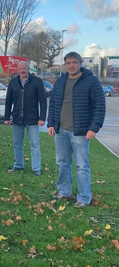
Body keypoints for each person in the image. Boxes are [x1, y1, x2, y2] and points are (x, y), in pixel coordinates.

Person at [47, 51, 105, 208]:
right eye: (68, 63)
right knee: (62, 163)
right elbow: (53, 104)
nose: (71, 65)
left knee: (81, 166)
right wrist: (51, 124)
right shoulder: (60, 81)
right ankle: (64, 191)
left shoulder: (91, 81)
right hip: (61, 130)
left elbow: (99, 106)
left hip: (80, 131)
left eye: (74, 62)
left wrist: (93, 128)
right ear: (65, 65)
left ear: (80, 64)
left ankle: (84, 197)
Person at [4, 61, 47, 176]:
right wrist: (7, 117)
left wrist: (42, 117)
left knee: (35, 144)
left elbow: (43, 101)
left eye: (24, 69)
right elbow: (8, 101)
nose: (22, 71)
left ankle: (36, 169)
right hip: (17, 118)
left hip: (33, 119)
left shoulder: (37, 82)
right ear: (17, 70)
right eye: (20, 69)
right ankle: (18, 165)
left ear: (28, 69)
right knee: (17, 143)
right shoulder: (13, 82)